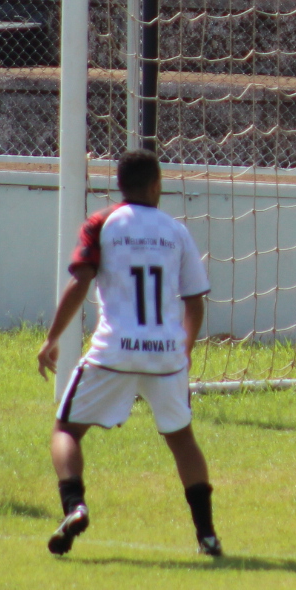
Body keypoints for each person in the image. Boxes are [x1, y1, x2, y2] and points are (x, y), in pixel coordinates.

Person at [36, 150, 220, 559]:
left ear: (120, 185)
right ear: (157, 184)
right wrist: (183, 352)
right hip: (166, 355)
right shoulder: (176, 231)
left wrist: (52, 339)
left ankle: (75, 506)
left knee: (66, 430)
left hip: (113, 351)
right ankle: (206, 534)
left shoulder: (101, 224)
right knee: (182, 440)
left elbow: (80, 283)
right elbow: (194, 303)